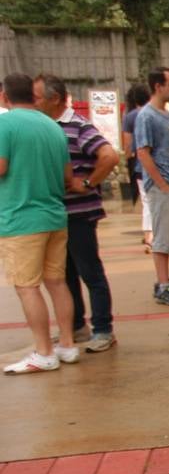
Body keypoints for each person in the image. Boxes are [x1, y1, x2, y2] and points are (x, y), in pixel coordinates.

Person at [0, 73, 87, 373]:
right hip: (55, 216)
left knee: (27, 286)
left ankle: (43, 351)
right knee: (57, 282)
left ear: (4, 97)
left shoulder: (4, 125)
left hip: (20, 218)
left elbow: (1, 167)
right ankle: (66, 344)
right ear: (32, 96)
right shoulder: (53, 127)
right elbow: (67, 178)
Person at [33, 73, 119, 351]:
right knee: (65, 274)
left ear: (54, 99)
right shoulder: (48, 127)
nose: (32, 103)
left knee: (89, 272)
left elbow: (109, 156)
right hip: (59, 215)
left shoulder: (77, 126)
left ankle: (103, 329)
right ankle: (77, 327)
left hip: (79, 215)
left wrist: (88, 182)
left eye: (35, 98)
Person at [134, 66, 169, 306]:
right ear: (158, 86)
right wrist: (162, 184)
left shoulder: (164, 113)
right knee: (162, 238)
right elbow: (143, 153)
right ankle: (163, 286)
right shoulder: (147, 116)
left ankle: (165, 280)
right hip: (162, 188)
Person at [121, 83, 154, 252]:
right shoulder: (156, 113)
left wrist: (128, 157)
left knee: (146, 199)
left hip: (138, 163)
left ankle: (149, 235)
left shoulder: (129, 116)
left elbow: (127, 143)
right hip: (157, 162)